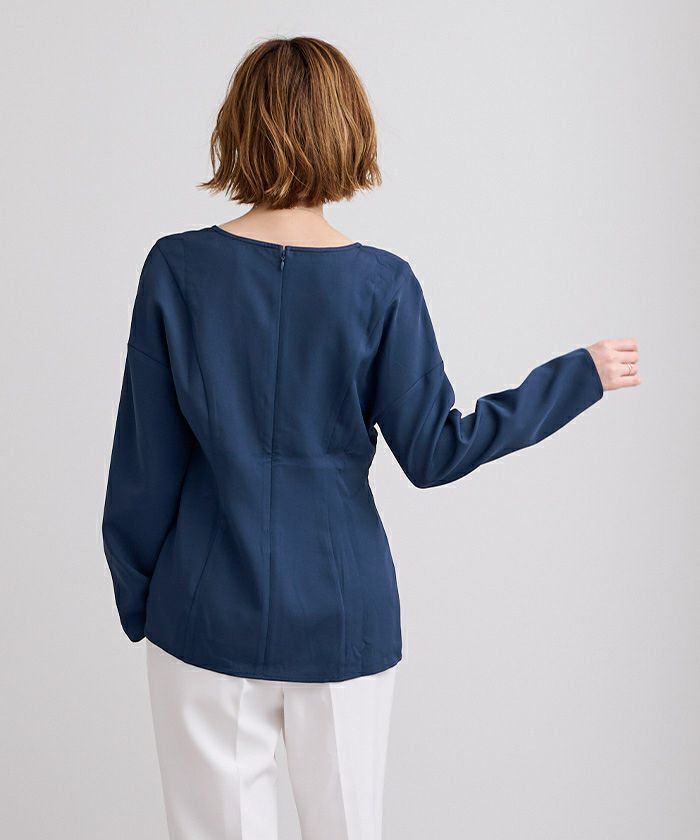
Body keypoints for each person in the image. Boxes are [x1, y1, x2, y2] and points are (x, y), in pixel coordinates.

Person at [101, 35, 640, 840]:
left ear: (239, 127)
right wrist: (575, 378)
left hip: (203, 612)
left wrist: (145, 601)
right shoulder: (382, 283)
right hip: (345, 614)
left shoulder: (175, 270)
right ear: (346, 130)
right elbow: (436, 450)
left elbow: (143, 470)